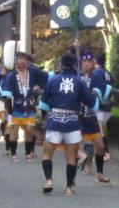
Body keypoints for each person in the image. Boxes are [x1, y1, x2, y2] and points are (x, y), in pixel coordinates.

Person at [39, 53, 99, 195]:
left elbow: (44, 104)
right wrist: (96, 96)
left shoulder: (53, 80)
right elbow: (92, 104)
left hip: (54, 121)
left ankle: (48, 181)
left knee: (47, 154)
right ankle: (69, 188)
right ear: (74, 66)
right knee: (71, 157)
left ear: (61, 65)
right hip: (72, 122)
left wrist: (44, 120)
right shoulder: (79, 82)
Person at [2, 52, 45, 163]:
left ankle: (27, 153)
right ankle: (13, 154)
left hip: (30, 106)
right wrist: (7, 110)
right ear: (16, 61)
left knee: (30, 130)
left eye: (24, 58)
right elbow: (6, 94)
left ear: (27, 60)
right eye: (19, 59)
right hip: (16, 107)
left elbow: (45, 80)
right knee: (14, 132)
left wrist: (39, 88)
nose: (22, 61)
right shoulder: (11, 76)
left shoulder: (34, 72)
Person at [80, 51, 111, 182]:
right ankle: (85, 165)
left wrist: (97, 93)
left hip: (91, 115)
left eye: (89, 62)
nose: (86, 64)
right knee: (74, 145)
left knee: (100, 146)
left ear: (93, 63)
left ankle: (99, 173)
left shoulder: (96, 76)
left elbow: (103, 90)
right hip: (77, 116)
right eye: (84, 62)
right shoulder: (76, 77)